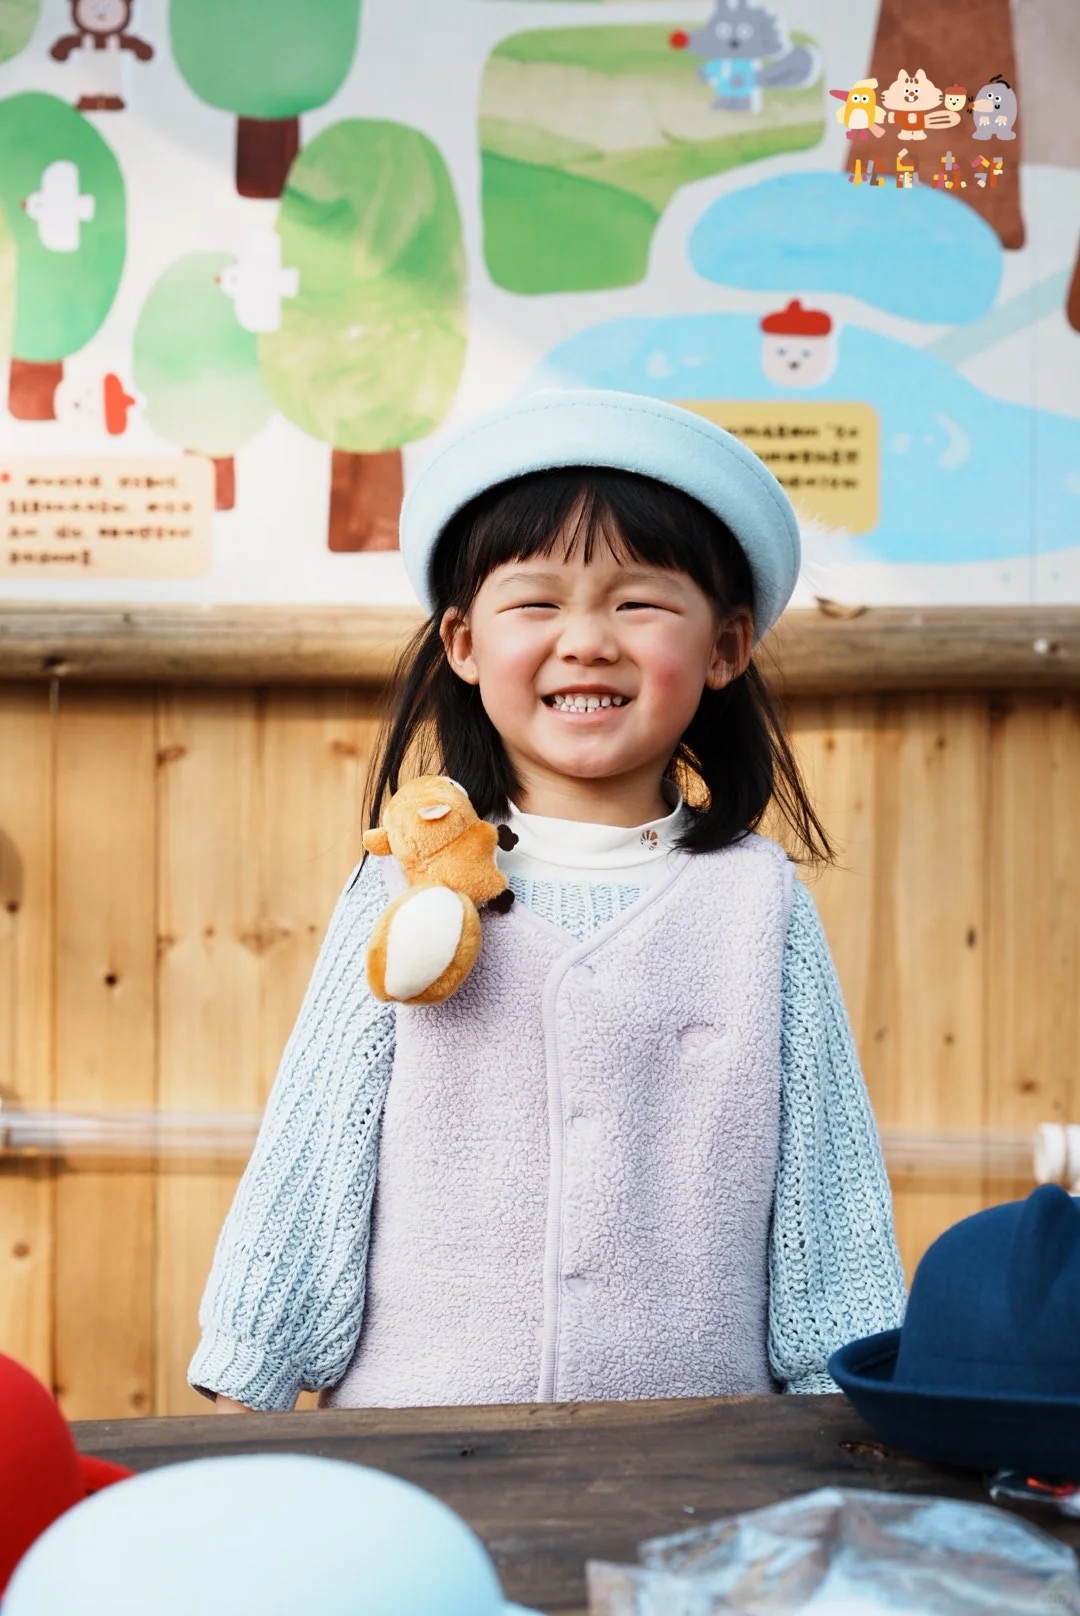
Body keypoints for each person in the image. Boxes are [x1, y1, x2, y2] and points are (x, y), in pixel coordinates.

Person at [190, 390, 905, 1414]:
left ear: (727, 646)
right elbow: (312, 1163)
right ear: (464, 643)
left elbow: (829, 1211)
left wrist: (855, 1400)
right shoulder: (401, 885)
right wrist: (244, 1392)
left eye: (638, 601)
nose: (587, 640)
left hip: (700, 1468)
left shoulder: (760, 906)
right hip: (420, 1452)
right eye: (537, 601)